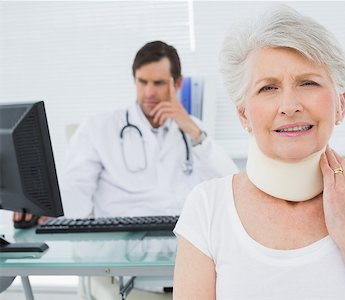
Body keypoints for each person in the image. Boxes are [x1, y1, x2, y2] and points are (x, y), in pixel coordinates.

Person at [173, 6, 345, 299]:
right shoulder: (207, 209)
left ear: (341, 105)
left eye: (308, 83)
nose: (289, 105)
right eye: (268, 88)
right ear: (243, 114)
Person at [15, 41, 237, 299]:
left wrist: (192, 129)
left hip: (190, 265)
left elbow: (231, 187)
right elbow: (74, 192)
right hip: (126, 264)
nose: (149, 92)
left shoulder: (192, 130)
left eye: (159, 83)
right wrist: (40, 211)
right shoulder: (100, 129)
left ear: (177, 84)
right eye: (142, 82)